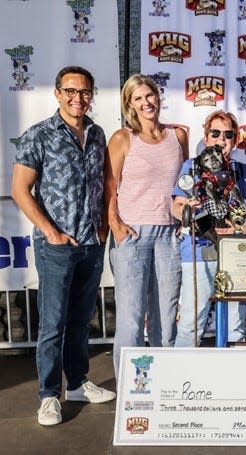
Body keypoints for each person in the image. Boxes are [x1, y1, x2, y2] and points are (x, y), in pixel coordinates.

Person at [11, 66, 116, 426]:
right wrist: (51, 232)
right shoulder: (38, 135)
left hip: (91, 242)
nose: (78, 98)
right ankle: (48, 395)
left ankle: (78, 382)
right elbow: (20, 190)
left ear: (91, 95)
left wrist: (103, 224)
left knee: (80, 319)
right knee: (53, 323)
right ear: (57, 93)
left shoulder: (97, 133)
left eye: (85, 92)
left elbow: (104, 182)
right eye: (70, 91)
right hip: (56, 245)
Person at [106, 74, 187, 376]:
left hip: (169, 233)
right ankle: (131, 385)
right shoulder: (123, 138)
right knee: (131, 316)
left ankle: (164, 380)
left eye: (149, 95)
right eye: (138, 98)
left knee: (166, 314)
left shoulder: (177, 136)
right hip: (133, 233)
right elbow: (109, 185)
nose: (146, 102)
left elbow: (185, 184)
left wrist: (181, 219)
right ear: (130, 104)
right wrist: (114, 222)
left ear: (158, 96)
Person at [172, 110, 246, 347]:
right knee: (192, 321)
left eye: (228, 134)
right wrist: (188, 211)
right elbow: (176, 206)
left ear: (234, 140)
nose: (221, 139)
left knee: (234, 323)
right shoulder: (191, 167)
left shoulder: (241, 170)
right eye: (215, 133)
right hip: (199, 250)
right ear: (206, 137)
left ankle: (233, 378)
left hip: (234, 251)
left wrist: (243, 223)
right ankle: (183, 376)